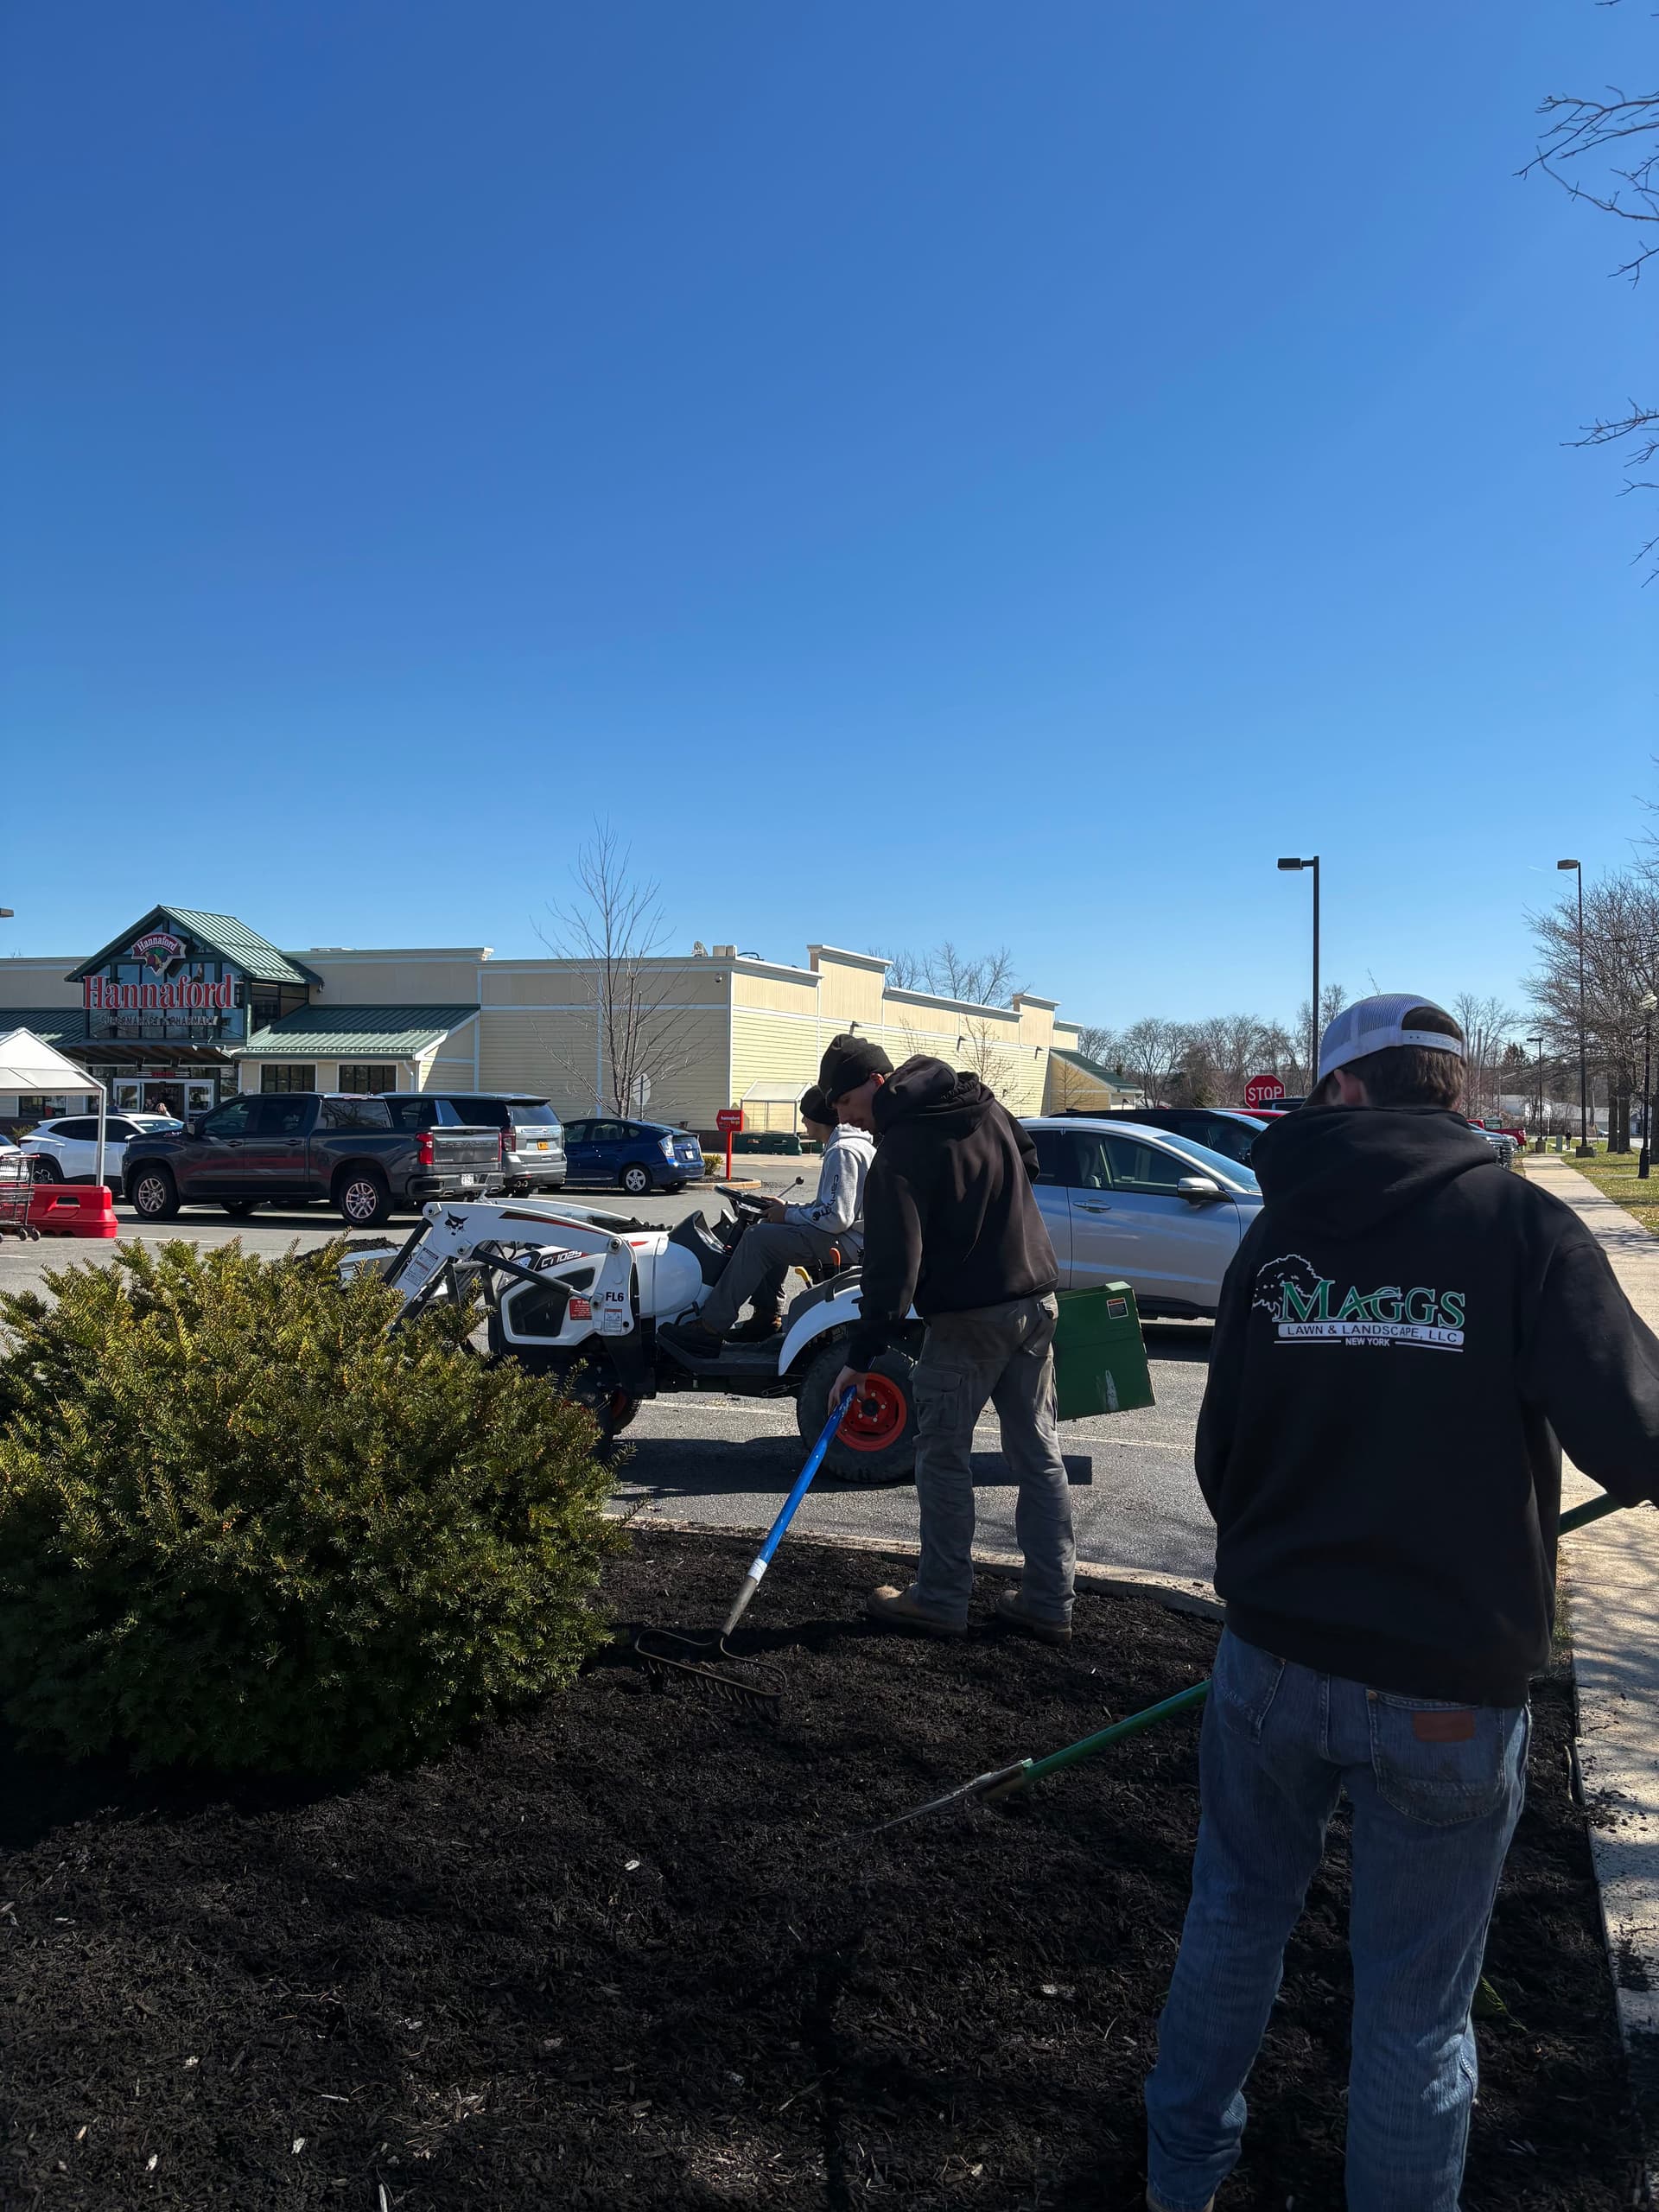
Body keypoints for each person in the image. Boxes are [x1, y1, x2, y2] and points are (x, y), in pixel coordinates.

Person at [1143, 995, 1659, 2212]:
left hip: (1272, 1661)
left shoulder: (1275, 1242)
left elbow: (1224, 1454)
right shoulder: (1519, 1227)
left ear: (1345, 1092)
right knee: (1415, 2011)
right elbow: (1639, 1441)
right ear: (1452, 1091)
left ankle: (1178, 2184)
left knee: (1231, 1924)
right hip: (1449, 1684)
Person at [821, 1032, 1077, 1643]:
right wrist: (988, 1217)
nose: (845, 1116)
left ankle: (940, 1597)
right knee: (1038, 1455)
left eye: (845, 1101)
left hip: (968, 1322)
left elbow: (892, 1271)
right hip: (1036, 1301)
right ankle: (1049, 1599)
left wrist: (860, 1357)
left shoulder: (901, 1150)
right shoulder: (982, 1102)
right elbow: (1029, 1157)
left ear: (876, 1082)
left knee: (941, 1457)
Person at [662, 1085, 874, 1352]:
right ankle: (766, 1316)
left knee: (757, 1239)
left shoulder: (842, 1151)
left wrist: (789, 1214)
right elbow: (831, 1208)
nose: (802, 1122)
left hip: (851, 1242)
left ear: (816, 1117)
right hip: (854, 1237)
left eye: (804, 1116)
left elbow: (836, 1217)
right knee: (771, 1228)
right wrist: (788, 1210)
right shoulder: (850, 1146)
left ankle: (710, 1326)